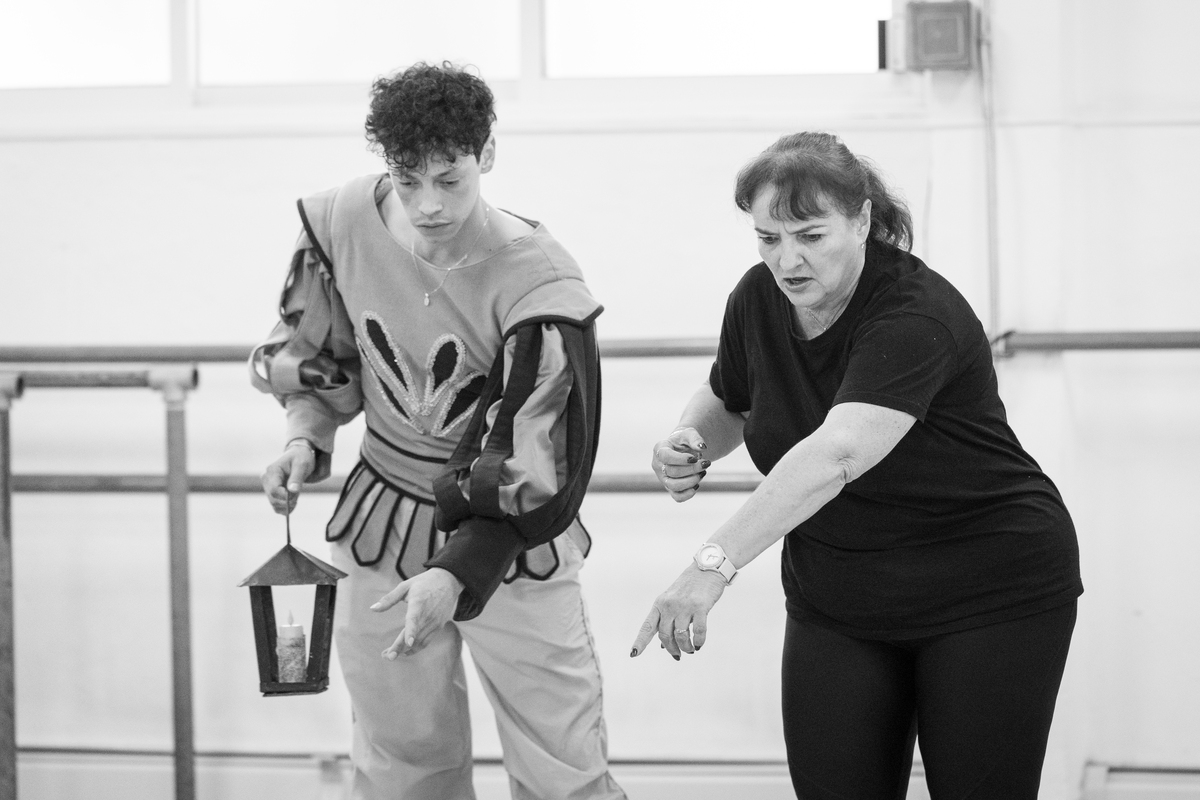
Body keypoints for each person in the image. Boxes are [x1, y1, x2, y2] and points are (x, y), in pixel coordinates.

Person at [631, 131, 1083, 799]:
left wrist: (712, 565)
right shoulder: (758, 297)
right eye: (768, 238)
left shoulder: (914, 314)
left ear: (863, 220)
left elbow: (838, 452)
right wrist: (690, 440)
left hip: (986, 587)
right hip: (839, 599)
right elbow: (731, 397)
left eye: (811, 236)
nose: (787, 261)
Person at [250, 62, 625, 800]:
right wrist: (304, 434)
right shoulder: (340, 225)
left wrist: (457, 571)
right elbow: (320, 356)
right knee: (399, 757)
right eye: (407, 176)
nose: (427, 204)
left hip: (509, 540)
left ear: (487, 154)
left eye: (449, 179)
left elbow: (538, 446)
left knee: (562, 762)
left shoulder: (539, 279)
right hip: (381, 524)